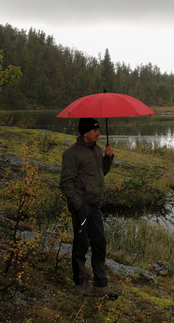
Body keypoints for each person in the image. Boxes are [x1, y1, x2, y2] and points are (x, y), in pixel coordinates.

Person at [60, 117, 114, 296]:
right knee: (81, 244)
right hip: (81, 206)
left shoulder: (97, 150)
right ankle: (80, 284)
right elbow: (66, 183)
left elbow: (101, 173)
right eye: (95, 130)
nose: (98, 133)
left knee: (99, 243)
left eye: (98, 130)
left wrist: (108, 158)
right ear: (85, 133)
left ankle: (100, 285)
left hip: (95, 205)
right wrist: (79, 205)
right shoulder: (71, 153)